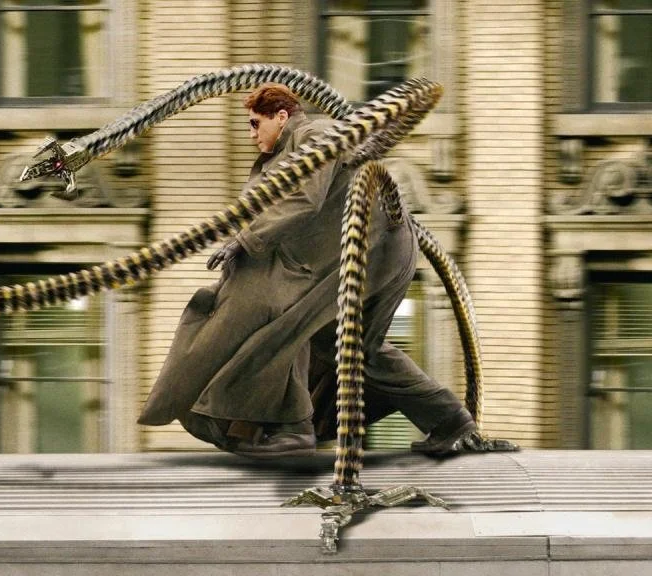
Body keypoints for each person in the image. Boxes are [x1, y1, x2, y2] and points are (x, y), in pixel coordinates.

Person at [137, 83, 476, 458]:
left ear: (281, 116)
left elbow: (305, 198)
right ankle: (450, 421)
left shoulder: (314, 134)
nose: (251, 135)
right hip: (373, 252)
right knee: (356, 348)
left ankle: (293, 428)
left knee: (287, 325)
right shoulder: (290, 149)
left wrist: (246, 240)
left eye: (255, 124)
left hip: (366, 250)